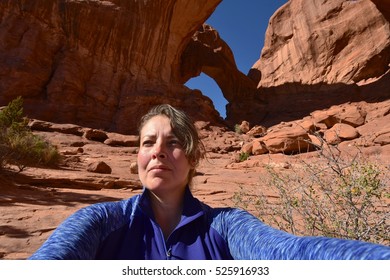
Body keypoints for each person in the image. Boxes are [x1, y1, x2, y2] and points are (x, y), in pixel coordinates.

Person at [29, 104, 390, 260]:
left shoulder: (226, 225)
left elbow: (287, 253)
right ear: (137, 157)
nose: (158, 152)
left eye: (172, 143)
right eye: (147, 143)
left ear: (193, 158)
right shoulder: (102, 222)